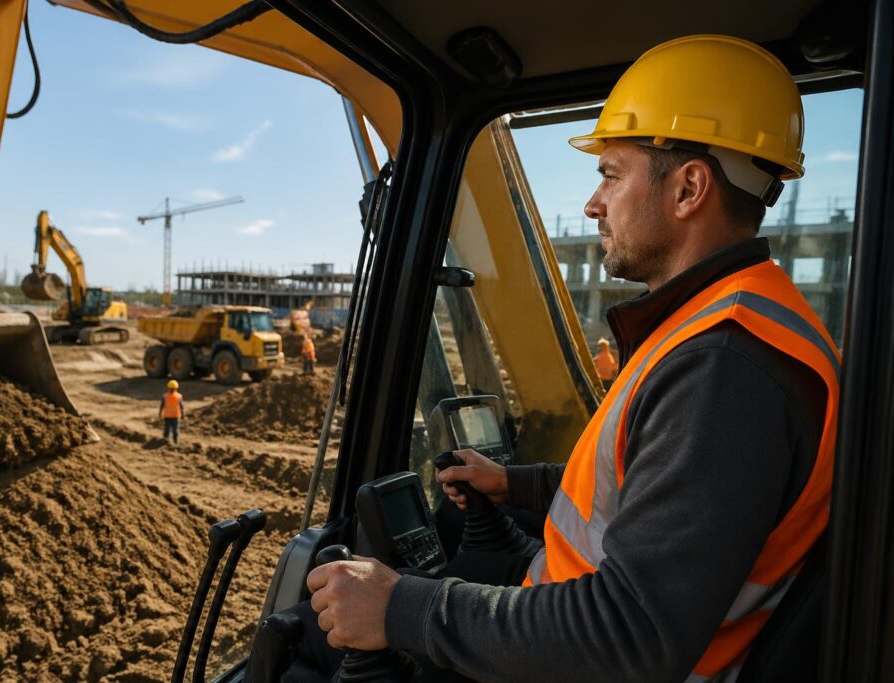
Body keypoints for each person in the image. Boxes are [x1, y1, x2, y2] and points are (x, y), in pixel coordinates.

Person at [303, 35, 839, 682]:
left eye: (612, 174)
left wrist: (401, 607)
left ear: (689, 188)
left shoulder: (725, 366)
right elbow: (650, 484)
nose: (592, 202)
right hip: (561, 620)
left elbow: (628, 635)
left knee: (309, 649)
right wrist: (516, 484)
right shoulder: (735, 325)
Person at [159, 379, 184, 444]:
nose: (172, 389)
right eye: (171, 388)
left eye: (173, 388)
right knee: (167, 430)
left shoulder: (179, 396)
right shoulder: (165, 396)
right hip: (168, 416)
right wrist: (160, 413)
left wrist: (182, 414)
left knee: (175, 431)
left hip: (175, 416)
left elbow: (181, 406)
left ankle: (175, 443)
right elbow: (162, 405)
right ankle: (165, 442)